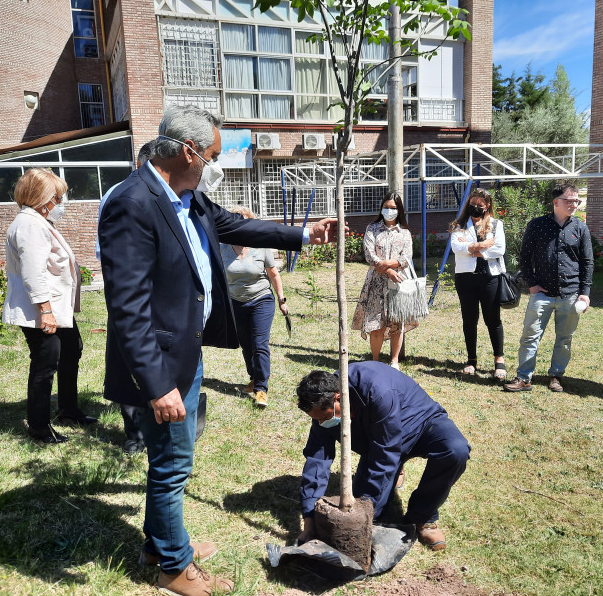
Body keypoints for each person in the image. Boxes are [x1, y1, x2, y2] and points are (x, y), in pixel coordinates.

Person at [98, 105, 338, 596]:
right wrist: (158, 383)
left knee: (171, 458)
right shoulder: (134, 202)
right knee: (173, 464)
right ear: (187, 152)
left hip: (185, 352)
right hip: (161, 366)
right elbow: (127, 307)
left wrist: (302, 234)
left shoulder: (189, 197)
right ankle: (173, 568)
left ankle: (161, 544)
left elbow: (235, 226)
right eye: (210, 154)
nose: (213, 163)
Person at [295, 362, 470, 551]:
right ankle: (396, 469)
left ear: (338, 398)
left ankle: (422, 516)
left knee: (456, 451)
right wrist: (309, 519)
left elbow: (385, 454)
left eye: (324, 417)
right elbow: (317, 460)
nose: (320, 422)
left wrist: (368, 511)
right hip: (379, 440)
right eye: (316, 419)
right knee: (369, 507)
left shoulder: (377, 390)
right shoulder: (322, 404)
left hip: (420, 424)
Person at [2, 168, 97, 444]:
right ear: (42, 198)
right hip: (42, 310)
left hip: (54, 308)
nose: (61, 204)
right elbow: (34, 273)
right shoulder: (30, 226)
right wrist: (45, 311)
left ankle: (68, 410)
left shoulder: (37, 222)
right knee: (46, 363)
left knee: (71, 349)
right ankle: (40, 428)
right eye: (58, 197)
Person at [96, 139, 157, 455]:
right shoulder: (118, 197)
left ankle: (155, 428)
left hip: (162, 303)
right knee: (127, 364)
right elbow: (104, 252)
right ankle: (134, 434)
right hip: (129, 298)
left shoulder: (170, 197)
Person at [504, 184, 593, 393]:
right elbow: (525, 257)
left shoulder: (580, 228)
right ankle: (524, 378)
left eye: (577, 201)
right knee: (530, 335)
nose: (574, 204)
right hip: (541, 294)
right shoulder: (537, 225)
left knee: (564, 338)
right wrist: (532, 284)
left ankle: (555, 376)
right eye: (569, 200)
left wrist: (585, 293)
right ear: (556, 202)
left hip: (570, 295)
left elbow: (587, 262)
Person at [220, 205, 289, 408]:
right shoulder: (222, 247)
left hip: (261, 299)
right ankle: (253, 378)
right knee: (246, 344)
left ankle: (261, 389)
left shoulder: (260, 246)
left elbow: (273, 273)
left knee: (259, 344)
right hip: (236, 302)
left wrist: (282, 299)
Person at [351, 192, 416, 369]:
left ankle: (394, 360)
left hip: (398, 283)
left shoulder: (404, 232)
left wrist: (387, 264)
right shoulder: (372, 229)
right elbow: (370, 256)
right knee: (376, 323)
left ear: (399, 211)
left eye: (393, 208)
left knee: (397, 322)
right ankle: (375, 360)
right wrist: (388, 269)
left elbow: (406, 258)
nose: (389, 211)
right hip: (376, 283)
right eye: (386, 207)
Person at [449, 189, 507, 379]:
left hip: (490, 277)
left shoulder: (497, 224)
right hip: (465, 278)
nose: (475, 207)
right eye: (472, 203)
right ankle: (471, 359)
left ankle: (499, 360)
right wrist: (483, 245)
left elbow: (500, 249)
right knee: (469, 319)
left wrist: (474, 250)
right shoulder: (459, 226)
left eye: (480, 205)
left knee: (493, 319)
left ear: (487, 206)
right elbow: (457, 248)